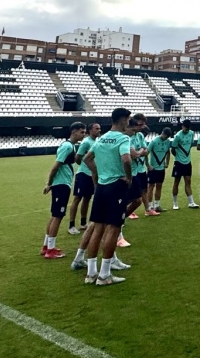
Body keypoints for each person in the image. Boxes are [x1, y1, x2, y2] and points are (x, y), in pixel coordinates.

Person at [70, 107, 133, 286]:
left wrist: (97, 176)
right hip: (116, 186)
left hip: (102, 187)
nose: (128, 123)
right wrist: (128, 177)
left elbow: (87, 159)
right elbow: (127, 159)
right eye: (127, 120)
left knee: (97, 228)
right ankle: (104, 275)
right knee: (113, 228)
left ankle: (91, 273)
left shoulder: (102, 138)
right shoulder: (123, 138)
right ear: (122, 120)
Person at [41, 123, 86, 258]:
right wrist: (49, 183)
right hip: (61, 185)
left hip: (62, 183)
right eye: (81, 132)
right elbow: (56, 166)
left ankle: (46, 246)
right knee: (58, 216)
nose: (83, 135)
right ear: (74, 132)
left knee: (55, 216)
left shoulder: (69, 146)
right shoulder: (67, 146)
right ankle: (51, 250)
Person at [67, 121, 100, 234]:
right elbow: (77, 157)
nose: (99, 130)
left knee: (87, 199)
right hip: (83, 174)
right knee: (77, 199)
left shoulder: (97, 142)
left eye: (99, 128)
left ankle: (83, 223)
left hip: (92, 175)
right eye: (96, 128)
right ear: (90, 131)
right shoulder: (86, 142)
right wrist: (84, 166)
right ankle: (71, 225)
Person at [124, 115, 150, 226]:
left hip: (137, 171)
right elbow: (133, 155)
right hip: (128, 172)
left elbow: (146, 150)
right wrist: (140, 152)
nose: (142, 127)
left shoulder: (139, 135)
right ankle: (116, 219)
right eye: (140, 124)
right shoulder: (127, 137)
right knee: (130, 198)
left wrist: (138, 152)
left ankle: (119, 218)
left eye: (143, 124)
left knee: (137, 198)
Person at [170, 119, 198, 209]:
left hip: (188, 162)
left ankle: (191, 202)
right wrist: (178, 157)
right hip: (178, 162)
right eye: (185, 128)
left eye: (188, 129)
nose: (186, 130)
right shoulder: (177, 136)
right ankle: (175, 203)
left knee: (188, 181)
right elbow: (173, 149)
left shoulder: (191, 133)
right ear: (182, 127)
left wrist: (186, 157)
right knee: (176, 182)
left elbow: (190, 145)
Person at [145, 126, 172, 214]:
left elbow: (168, 152)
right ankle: (149, 207)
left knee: (159, 186)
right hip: (153, 169)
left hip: (161, 169)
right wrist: (148, 165)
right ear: (162, 133)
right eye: (165, 135)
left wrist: (167, 162)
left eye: (167, 137)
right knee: (151, 187)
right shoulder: (154, 141)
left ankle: (157, 205)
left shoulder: (167, 142)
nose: (165, 137)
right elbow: (146, 153)